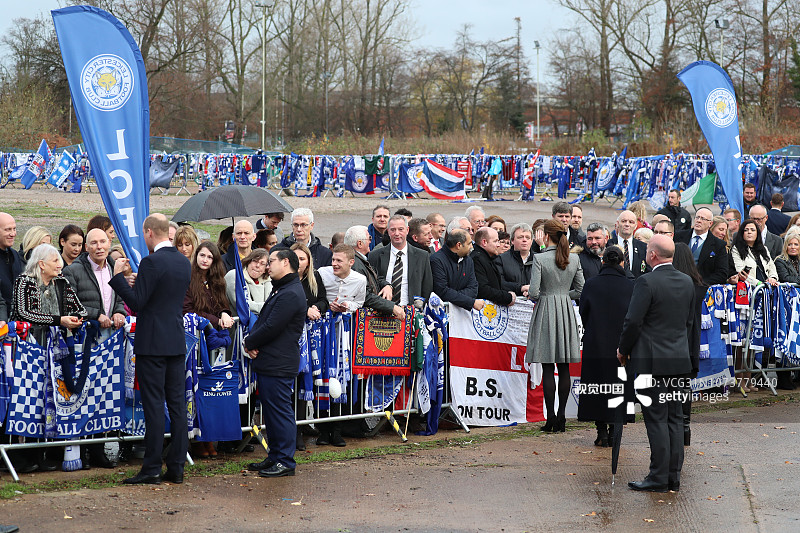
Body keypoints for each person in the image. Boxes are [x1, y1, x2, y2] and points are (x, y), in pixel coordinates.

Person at [109, 213, 192, 485]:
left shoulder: (150, 261)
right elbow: (161, 295)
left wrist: (119, 277)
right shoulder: (182, 261)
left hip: (153, 343)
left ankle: (152, 468)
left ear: (148, 233)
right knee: (177, 406)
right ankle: (177, 466)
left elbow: (139, 302)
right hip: (175, 341)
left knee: (154, 406)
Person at [618, 235, 695, 493]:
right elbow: (688, 323)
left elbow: (632, 321)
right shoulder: (687, 282)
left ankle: (659, 476)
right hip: (679, 359)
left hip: (652, 362)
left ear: (652, 255)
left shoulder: (646, 282)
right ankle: (673, 475)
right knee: (675, 418)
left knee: (657, 420)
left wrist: (623, 350)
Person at [62, 229, 127, 468]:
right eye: (94, 243)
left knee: (104, 394)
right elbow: (70, 304)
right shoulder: (73, 271)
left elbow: (119, 296)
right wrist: (96, 315)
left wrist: (119, 311)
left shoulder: (114, 266)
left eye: (103, 242)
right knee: (85, 394)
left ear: (109, 243)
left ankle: (99, 449)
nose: (99, 246)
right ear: (86, 247)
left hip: (110, 341)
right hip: (86, 341)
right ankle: (82, 452)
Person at [244, 248, 307, 478]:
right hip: (271, 361)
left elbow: (272, 326)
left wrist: (248, 341)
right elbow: (265, 321)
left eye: (271, 261)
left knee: (280, 412)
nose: (267, 266)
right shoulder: (283, 288)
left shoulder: (290, 292)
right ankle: (275, 455)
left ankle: (285, 461)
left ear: (286, 263)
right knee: (271, 413)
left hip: (279, 363)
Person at [526, 220, 584, 432]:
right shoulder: (574, 258)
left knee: (548, 367)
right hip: (566, 310)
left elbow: (533, 292)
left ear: (547, 236)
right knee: (565, 366)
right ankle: (561, 417)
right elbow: (580, 289)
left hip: (546, 310)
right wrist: (562, 296)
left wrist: (549, 296)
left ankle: (550, 418)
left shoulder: (540, 258)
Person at [578, 245, 633, 447]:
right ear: (622, 262)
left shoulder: (591, 284)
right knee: (619, 387)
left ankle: (601, 432)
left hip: (596, 342)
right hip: (621, 345)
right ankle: (614, 431)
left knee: (597, 387)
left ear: (603, 262)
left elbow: (584, 312)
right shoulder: (630, 285)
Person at [671, 242, 706, 447]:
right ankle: (685, 427)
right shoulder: (698, 285)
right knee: (685, 387)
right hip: (691, 341)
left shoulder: (676, 284)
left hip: (675, 340)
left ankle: (676, 427)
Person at [368, 215, 433, 305]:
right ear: (388, 231)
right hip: (382, 312)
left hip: (411, 311)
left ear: (407, 230)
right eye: (393, 230)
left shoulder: (422, 256)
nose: (397, 233)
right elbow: (371, 283)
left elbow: (427, 287)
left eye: (401, 229)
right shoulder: (375, 255)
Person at [345, 225, 403, 318]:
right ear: (360, 244)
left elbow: (375, 277)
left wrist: (387, 285)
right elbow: (365, 295)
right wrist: (392, 307)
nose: (370, 241)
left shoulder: (360, 260)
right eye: (369, 238)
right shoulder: (355, 264)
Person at [184, 241, 234, 329]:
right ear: (196, 256)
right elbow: (188, 310)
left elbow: (221, 303)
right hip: (195, 331)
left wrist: (224, 313)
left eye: (209, 257)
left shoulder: (217, 280)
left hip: (214, 333)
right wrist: (216, 320)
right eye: (202, 255)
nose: (205, 260)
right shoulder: (187, 277)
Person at [674, 207, 730, 285]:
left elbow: (721, 274)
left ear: (710, 224)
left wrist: (701, 284)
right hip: (678, 285)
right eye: (697, 217)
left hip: (702, 289)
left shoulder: (718, 245)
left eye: (703, 219)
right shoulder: (678, 236)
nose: (699, 221)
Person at [430, 228, 482, 311]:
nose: (472, 247)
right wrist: (470, 302)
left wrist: (456, 297)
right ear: (459, 245)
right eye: (469, 244)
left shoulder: (468, 261)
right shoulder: (437, 260)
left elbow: (473, 288)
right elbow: (442, 291)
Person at [471, 227, 515, 307]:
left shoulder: (489, 258)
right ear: (484, 242)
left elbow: (498, 284)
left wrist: (520, 289)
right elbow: (483, 289)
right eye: (495, 241)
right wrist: (507, 297)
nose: (498, 245)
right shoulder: (477, 260)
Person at [729, 219, 779, 287]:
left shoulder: (764, 248)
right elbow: (740, 272)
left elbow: (771, 266)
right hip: (751, 288)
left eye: (752, 230)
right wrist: (759, 284)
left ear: (757, 233)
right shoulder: (736, 249)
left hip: (767, 287)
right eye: (746, 230)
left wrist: (772, 278)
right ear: (742, 233)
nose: (749, 232)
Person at [318, 244, 367, 313]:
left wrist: (347, 305)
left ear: (351, 262)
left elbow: (359, 303)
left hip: (346, 320)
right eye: (333, 260)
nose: (334, 264)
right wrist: (327, 305)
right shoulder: (322, 273)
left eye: (339, 261)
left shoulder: (360, 280)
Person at [224, 248, 272, 317]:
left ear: (265, 269)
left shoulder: (267, 281)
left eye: (262, 264)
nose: (257, 265)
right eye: (255, 261)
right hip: (237, 325)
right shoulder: (234, 275)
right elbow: (243, 305)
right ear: (248, 262)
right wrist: (268, 307)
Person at [291, 243, 328, 320]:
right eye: (294, 258)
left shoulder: (315, 276)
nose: (298, 262)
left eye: (302, 259)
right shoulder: (282, 279)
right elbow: (286, 303)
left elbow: (323, 301)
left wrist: (317, 307)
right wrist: (306, 310)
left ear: (308, 262)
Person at [496, 223, 533, 296]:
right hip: (510, 303)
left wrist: (532, 291)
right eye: (520, 237)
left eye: (528, 238)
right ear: (512, 241)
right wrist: (521, 288)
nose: (524, 240)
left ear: (532, 241)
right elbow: (499, 283)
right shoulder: (501, 259)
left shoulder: (538, 259)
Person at [612, 210, 650, 278]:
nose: (627, 224)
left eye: (631, 222)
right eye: (623, 221)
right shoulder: (609, 245)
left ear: (635, 226)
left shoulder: (644, 247)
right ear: (617, 224)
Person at [0, 213, 24, 322]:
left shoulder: (15, 255)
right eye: (8, 230)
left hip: (15, 322)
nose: (13, 234)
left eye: (14, 229)